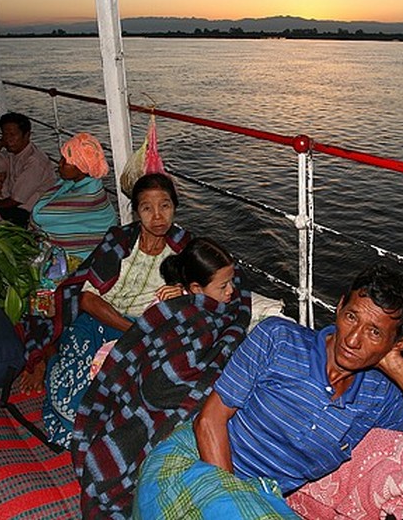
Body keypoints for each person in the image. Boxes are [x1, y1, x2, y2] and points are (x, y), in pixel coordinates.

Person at [135, 263, 403, 518]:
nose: (352, 339)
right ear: (340, 304)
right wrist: (229, 497)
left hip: (260, 499)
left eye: (375, 333)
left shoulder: (380, 395)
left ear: (400, 343)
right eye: (351, 317)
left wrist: (402, 372)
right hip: (193, 462)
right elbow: (209, 421)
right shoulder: (278, 339)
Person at [73, 237, 249, 519]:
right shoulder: (178, 308)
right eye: (223, 286)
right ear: (196, 289)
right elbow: (157, 366)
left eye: (231, 282)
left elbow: (229, 332)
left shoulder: (228, 308)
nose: (232, 292)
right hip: (157, 389)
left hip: (183, 383)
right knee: (116, 454)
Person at [21, 173, 190, 446]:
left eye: (165, 206)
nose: (157, 216)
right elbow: (88, 300)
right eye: (147, 208)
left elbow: (209, 287)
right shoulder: (121, 240)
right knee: (74, 406)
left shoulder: (184, 249)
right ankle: (53, 361)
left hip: (143, 333)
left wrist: (183, 291)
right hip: (101, 320)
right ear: (136, 211)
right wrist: (134, 330)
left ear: (175, 207)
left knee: (127, 398)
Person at [30, 132, 118, 265]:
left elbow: (39, 216)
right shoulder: (74, 184)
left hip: (84, 258)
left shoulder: (90, 195)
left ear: (81, 167)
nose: (59, 164)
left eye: (65, 162)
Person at [0, 112, 56, 227]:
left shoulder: (34, 161)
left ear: (26, 135)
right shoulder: (11, 153)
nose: (8, 139)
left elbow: (16, 200)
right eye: (5, 135)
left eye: (12, 135)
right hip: (13, 204)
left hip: (29, 212)